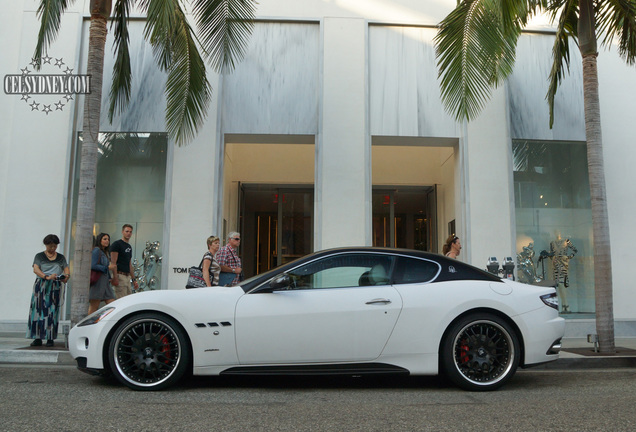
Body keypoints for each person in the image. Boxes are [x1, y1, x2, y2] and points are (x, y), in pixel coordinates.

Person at [27, 234, 70, 347]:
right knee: (38, 310)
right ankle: (37, 337)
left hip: (54, 286)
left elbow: (66, 269)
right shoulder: (39, 256)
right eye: (50, 246)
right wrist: (46, 277)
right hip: (41, 285)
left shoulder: (60, 257)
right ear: (46, 245)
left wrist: (66, 276)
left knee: (52, 311)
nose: (52, 249)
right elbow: (36, 269)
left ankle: (50, 337)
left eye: (54, 246)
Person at [89, 233, 117, 314]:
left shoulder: (105, 252)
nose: (107, 241)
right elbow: (93, 265)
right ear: (99, 240)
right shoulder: (97, 250)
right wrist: (107, 268)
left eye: (108, 239)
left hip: (105, 282)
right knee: (94, 307)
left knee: (113, 304)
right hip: (98, 282)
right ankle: (87, 325)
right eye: (104, 239)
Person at [550, 233, 577, 313]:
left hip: (563, 263)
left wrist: (568, 257)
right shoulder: (552, 243)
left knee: (562, 283)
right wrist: (551, 257)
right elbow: (551, 253)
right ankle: (564, 305)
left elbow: (575, 250)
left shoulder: (567, 241)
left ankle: (565, 304)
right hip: (555, 263)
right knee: (558, 284)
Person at [110, 224, 139, 298]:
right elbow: (113, 263)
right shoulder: (117, 244)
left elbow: (129, 264)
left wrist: (134, 279)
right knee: (121, 300)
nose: (128, 233)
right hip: (120, 275)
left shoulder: (129, 247)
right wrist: (115, 277)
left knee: (128, 299)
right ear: (122, 232)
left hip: (127, 276)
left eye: (130, 232)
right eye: (127, 231)